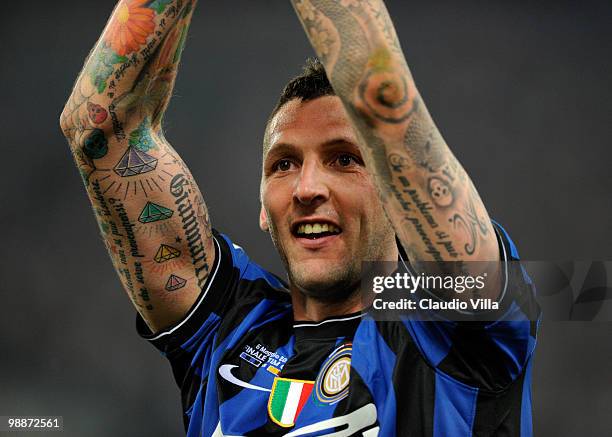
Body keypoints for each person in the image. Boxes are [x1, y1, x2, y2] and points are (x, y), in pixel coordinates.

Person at [60, 1, 539, 435]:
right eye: (283, 164)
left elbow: (380, 94)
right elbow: (99, 129)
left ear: (399, 193)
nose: (307, 188)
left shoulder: (452, 326)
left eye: (345, 159)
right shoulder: (225, 331)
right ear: (264, 208)